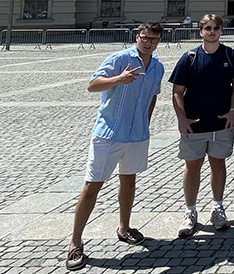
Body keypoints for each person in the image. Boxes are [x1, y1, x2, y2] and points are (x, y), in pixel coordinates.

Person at [65, 22, 165, 271]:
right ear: (137, 37)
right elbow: (92, 85)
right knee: (91, 186)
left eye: (153, 39)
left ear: (159, 40)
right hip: (109, 133)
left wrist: (146, 123)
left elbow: (152, 97)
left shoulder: (157, 67)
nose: (148, 42)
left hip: (137, 134)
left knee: (129, 181)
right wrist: (119, 79)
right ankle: (75, 243)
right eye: (144, 38)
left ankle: (124, 227)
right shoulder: (119, 58)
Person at [170, 13, 234, 237]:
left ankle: (217, 208)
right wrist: (181, 118)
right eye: (208, 28)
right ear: (200, 31)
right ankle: (190, 211)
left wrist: (233, 111)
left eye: (216, 28)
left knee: (218, 164)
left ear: (221, 31)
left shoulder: (231, 55)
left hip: (221, 124)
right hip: (194, 124)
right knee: (192, 168)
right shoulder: (189, 58)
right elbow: (177, 91)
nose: (212, 32)